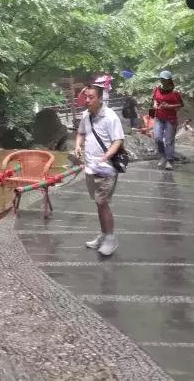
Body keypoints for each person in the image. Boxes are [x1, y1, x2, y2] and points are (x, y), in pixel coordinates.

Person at [73, 84, 124, 257]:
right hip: (90, 167)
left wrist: (107, 155)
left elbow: (118, 140)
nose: (87, 100)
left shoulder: (110, 117)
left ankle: (111, 238)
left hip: (106, 168)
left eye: (91, 97)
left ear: (100, 98)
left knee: (102, 202)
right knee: (99, 203)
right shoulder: (86, 115)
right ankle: (104, 235)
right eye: (86, 97)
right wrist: (78, 146)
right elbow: (81, 133)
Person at [151, 70, 183, 170]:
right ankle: (163, 156)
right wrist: (155, 104)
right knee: (157, 138)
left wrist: (169, 106)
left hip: (170, 119)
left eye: (165, 79)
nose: (163, 81)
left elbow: (181, 104)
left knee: (169, 141)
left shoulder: (175, 92)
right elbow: (154, 99)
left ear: (169, 80)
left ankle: (169, 160)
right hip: (158, 117)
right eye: (161, 79)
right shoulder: (157, 89)